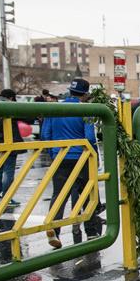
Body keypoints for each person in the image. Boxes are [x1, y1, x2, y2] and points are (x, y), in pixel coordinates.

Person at [41, 78, 101, 248]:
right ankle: (91, 231)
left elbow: (45, 135)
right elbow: (89, 137)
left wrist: (54, 152)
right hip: (81, 157)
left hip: (60, 156)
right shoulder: (85, 110)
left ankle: (54, 228)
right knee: (87, 194)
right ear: (85, 94)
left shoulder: (55, 109)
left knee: (59, 195)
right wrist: (95, 157)